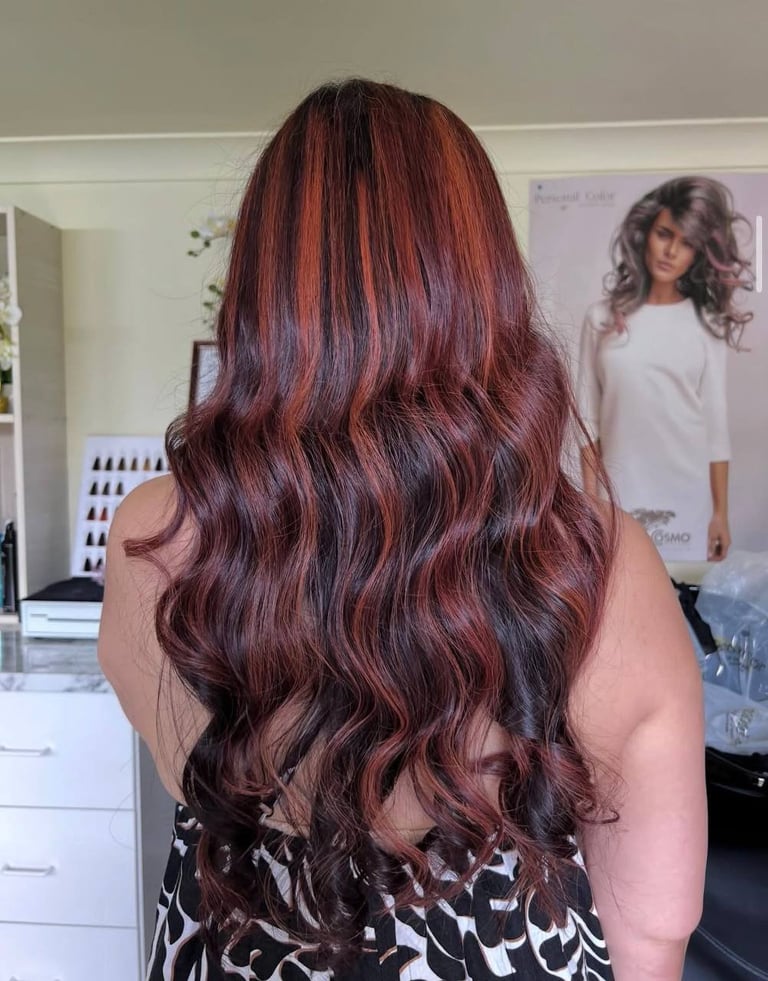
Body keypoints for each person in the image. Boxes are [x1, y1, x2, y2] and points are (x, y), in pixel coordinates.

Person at [98, 80, 706, 980]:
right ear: (485, 285)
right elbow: (654, 926)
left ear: (263, 296)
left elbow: (185, 768)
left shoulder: (152, 535)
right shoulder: (601, 570)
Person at [578, 176, 752, 564]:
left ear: (699, 254)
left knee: (682, 608)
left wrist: (719, 513)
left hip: (687, 497)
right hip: (618, 495)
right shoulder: (602, 319)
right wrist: (590, 504)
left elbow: (715, 423)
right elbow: (588, 419)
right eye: (664, 234)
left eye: (687, 243)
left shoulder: (707, 323)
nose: (671, 251)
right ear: (645, 234)